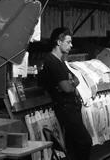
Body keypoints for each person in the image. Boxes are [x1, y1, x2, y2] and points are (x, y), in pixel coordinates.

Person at [38, 27, 92, 160]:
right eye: (68, 42)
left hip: (71, 107)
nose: (71, 45)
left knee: (74, 144)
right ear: (58, 42)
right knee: (85, 141)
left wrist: (71, 82)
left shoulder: (61, 61)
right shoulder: (52, 61)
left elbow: (76, 79)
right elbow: (67, 87)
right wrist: (71, 83)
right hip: (66, 108)